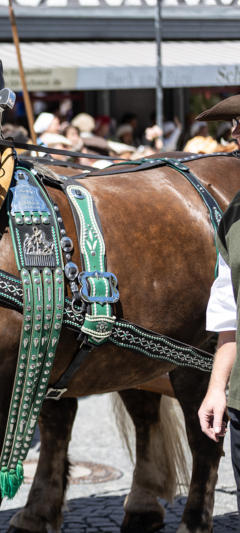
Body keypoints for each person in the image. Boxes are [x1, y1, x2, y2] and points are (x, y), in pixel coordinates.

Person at [197, 94, 240, 514]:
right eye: (235, 122)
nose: (234, 132)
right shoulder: (235, 214)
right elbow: (230, 312)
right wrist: (215, 389)